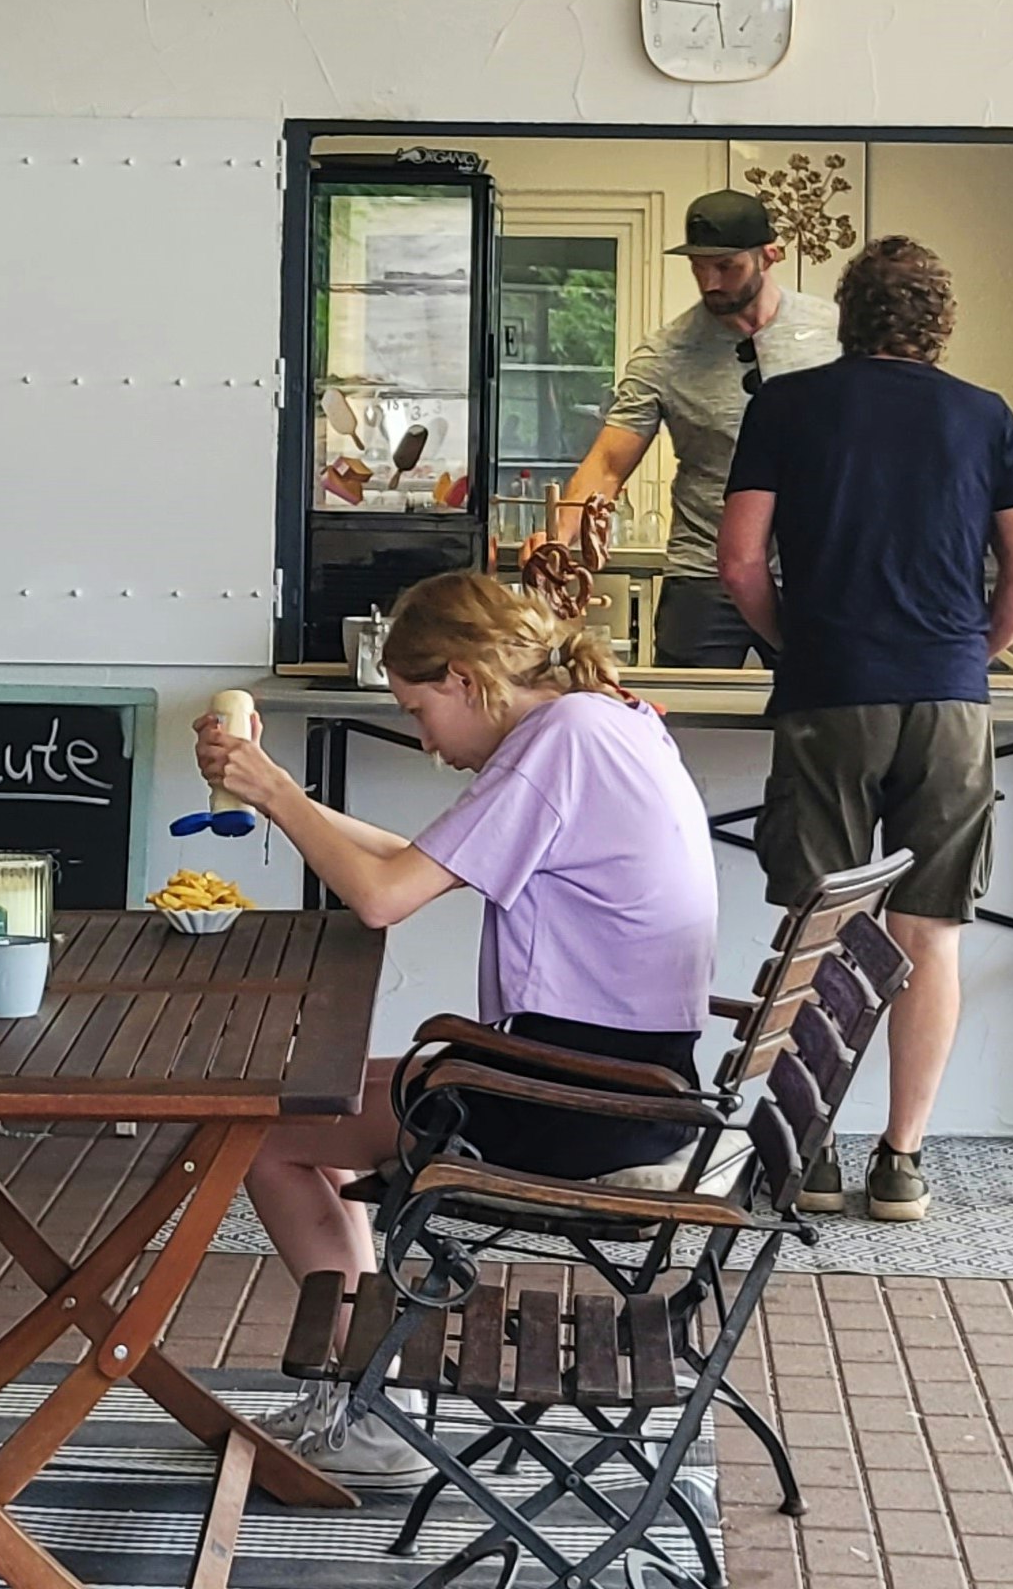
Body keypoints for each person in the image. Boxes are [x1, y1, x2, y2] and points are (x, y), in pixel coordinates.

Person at [191, 569, 719, 1478]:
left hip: (574, 1099)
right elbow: (413, 860)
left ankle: (371, 1407)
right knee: (306, 1108)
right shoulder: (601, 722)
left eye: (420, 711)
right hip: (635, 1082)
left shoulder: (562, 744)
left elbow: (382, 897)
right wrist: (273, 788)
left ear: (466, 679)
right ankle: (362, 1391)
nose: (426, 743)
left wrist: (275, 794)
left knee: (267, 1135)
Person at [717, 236, 1013, 1223]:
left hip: (828, 691)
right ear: (939, 323)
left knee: (820, 932)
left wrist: (796, 645)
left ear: (849, 316)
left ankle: (808, 1152)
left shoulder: (786, 406)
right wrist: (972, 657)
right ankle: (901, 1162)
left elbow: (738, 565)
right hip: (948, 698)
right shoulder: (985, 418)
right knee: (929, 933)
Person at [559, 188, 838, 666]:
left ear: (769, 255)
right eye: (698, 267)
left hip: (815, 569)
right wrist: (556, 538)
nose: (710, 282)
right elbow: (607, 464)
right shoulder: (666, 353)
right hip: (704, 574)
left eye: (726, 266)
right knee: (683, 724)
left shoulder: (835, 334)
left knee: (824, 727)